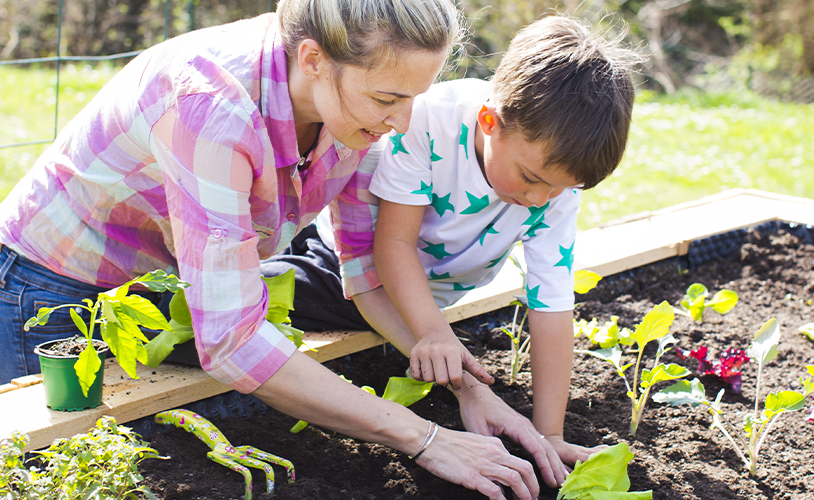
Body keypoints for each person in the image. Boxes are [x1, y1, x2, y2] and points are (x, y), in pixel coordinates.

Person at [0, 2, 562, 498]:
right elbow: (231, 339)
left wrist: (470, 388)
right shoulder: (210, 107)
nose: (403, 120)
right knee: (64, 478)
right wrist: (423, 438)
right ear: (312, 60)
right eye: (389, 97)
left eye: (415, 97)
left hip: (171, 299)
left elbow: (361, 269)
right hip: (56, 293)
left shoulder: (354, 108)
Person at [265, 15, 639, 469]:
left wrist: (550, 433)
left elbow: (552, 304)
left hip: (422, 301)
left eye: (560, 189)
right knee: (256, 298)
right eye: (530, 179)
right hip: (344, 269)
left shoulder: (552, 183)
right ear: (489, 121)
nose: (540, 200)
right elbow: (393, 246)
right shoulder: (430, 121)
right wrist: (433, 333)